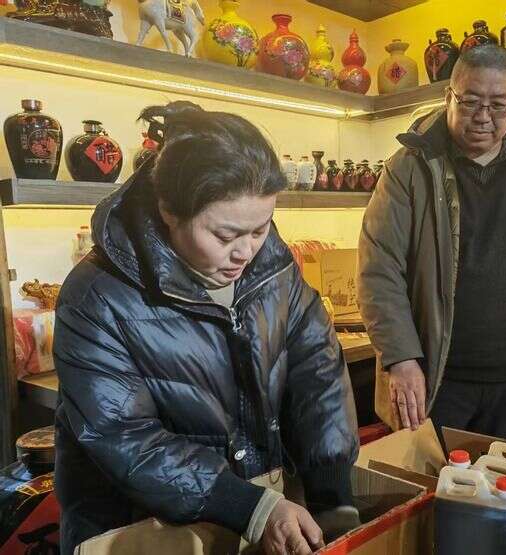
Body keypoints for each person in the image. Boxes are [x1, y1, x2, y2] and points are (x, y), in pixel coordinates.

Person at [53, 102, 359, 555]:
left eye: (260, 229)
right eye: (225, 236)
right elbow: (124, 436)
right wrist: (248, 506)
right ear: (169, 211)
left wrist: (332, 493)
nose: (246, 252)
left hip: (253, 515)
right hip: (141, 532)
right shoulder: (97, 296)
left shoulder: (272, 268)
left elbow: (318, 368)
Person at [358, 45, 506, 444]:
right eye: (471, 101)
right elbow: (380, 271)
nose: (483, 116)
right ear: (449, 96)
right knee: (435, 483)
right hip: (438, 379)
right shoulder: (410, 168)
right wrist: (400, 358)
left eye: (498, 105)